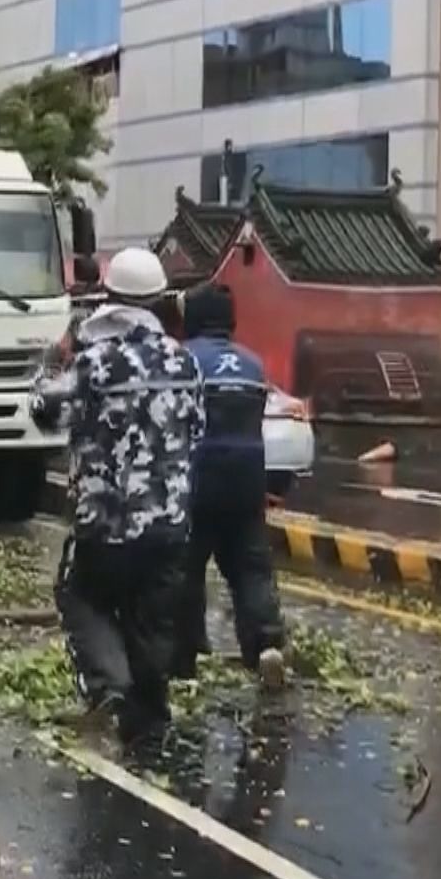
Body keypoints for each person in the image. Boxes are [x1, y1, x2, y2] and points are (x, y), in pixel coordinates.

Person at [29, 247, 204, 746]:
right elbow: (198, 428)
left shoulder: (94, 363)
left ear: (108, 297)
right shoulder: (184, 360)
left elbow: (44, 410)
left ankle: (109, 685)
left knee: (80, 595)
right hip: (169, 523)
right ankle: (149, 719)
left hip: (105, 522)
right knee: (152, 617)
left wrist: (51, 359)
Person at [175, 283, 288, 688]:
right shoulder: (253, 366)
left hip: (197, 479)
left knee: (186, 569)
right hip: (246, 480)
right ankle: (266, 645)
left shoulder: (182, 361)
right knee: (251, 567)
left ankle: (184, 657)